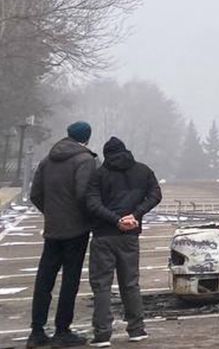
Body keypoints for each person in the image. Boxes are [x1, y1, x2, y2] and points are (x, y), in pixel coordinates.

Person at [84, 137, 161, 346]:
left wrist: (115, 220)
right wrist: (135, 215)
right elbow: (155, 195)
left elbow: (92, 203)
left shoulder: (99, 175)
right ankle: (136, 329)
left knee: (102, 286)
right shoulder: (143, 171)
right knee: (130, 284)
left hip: (104, 236)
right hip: (130, 236)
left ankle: (102, 333)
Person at [27, 122, 98, 348]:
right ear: (86, 138)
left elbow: (36, 194)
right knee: (70, 281)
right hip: (76, 230)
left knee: (44, 280)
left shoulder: (47, 160)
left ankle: (36, 331)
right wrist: (89, 219)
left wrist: (52, 213)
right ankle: (62, 330)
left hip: (53, 229)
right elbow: (83, 194)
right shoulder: (85, 160)